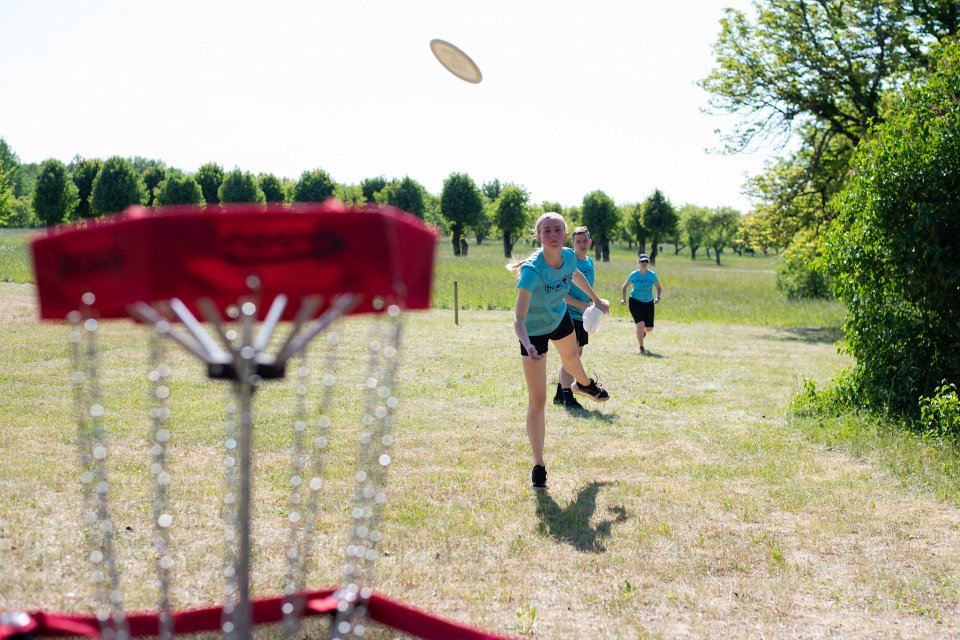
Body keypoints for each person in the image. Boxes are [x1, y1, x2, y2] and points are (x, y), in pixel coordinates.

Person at [508, 212, 610, 490]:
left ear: (564, 235)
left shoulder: (568, 256)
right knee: (538, 401)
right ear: (538, 236)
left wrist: (595, 299)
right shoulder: (532, 270)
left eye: (558, 229)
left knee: (572, 358)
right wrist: (527, 344)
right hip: (533, 333)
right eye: (547, 230)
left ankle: (585, 385)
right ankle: (538, 465)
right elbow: (518, 318)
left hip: (559, 318)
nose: (553, 234)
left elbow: (575, 274)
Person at [552, 225, 596, 411]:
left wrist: (594, 304)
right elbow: (562, 293)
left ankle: (558, 394)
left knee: (576, 354)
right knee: (571, 356)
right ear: (572, 243)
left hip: (582, 316)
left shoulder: (590, 262)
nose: (582, 244)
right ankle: (567, 398)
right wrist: (583, 305)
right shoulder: (568, 262)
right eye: (578, 241)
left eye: (585, 241)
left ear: (590, 242)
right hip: (568, 313)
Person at [620, 253, 662, 355]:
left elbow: (658, 288)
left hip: (648, 302)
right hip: (635, 301)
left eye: (646, 261)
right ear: (638, 263)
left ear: (648, 263)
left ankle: (642, 332)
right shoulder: (634, 274)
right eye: (642, 261)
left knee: (649, 328)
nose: (644, 263)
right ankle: (641, 347)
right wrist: (623, 299)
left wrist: (658, 297)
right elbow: (624, 287)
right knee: (640, 324)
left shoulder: (652, 275)